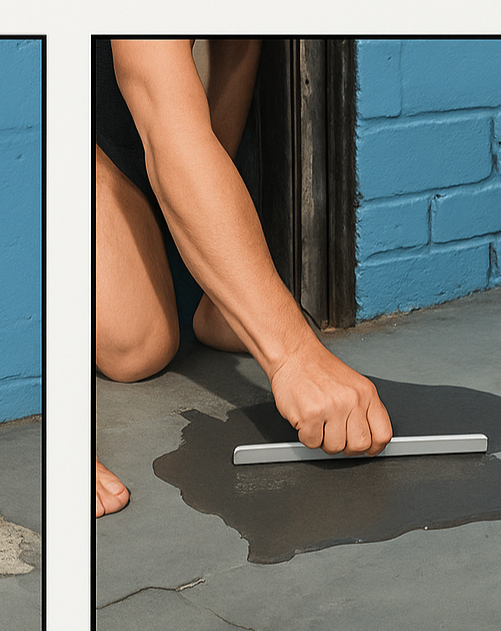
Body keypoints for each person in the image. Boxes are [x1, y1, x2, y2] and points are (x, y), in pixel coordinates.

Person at [95, 38, 393, 517]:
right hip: (88, 96)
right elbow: (163, 113)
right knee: (137, 347)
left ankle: (218, 284)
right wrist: (294, 355)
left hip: (173, 85)